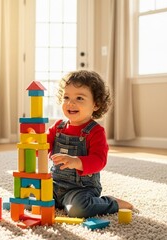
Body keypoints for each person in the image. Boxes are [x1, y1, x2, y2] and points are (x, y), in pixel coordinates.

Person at [46, 70, 134, 218]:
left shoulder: (96, 131)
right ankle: (55, 201)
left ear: (96, 105)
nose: (70, 102)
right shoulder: (58, 127)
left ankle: (112, 203)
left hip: (81, 189)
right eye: (66, 97)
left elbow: (99, 161)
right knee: (30, 198)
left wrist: (76, 161)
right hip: (54, 184)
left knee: (78, 210)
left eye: (79, 98)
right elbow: (42, 148)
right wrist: (34, 143)